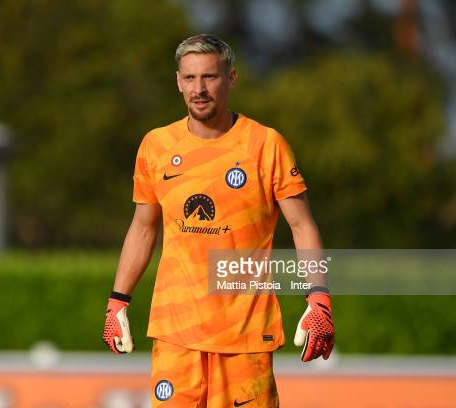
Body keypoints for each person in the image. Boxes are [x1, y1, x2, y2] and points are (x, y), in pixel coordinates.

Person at [102, 34, 334, 407]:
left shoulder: (265, 145)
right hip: (176, 334)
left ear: (231, 78)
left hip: (245, 335)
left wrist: (318, 297)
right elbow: (143, 228)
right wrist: (117, 301)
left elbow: (302, 225)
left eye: (209, 77)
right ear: (178, 82)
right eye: (190, 78)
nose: (199, 89)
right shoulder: (156, 146)